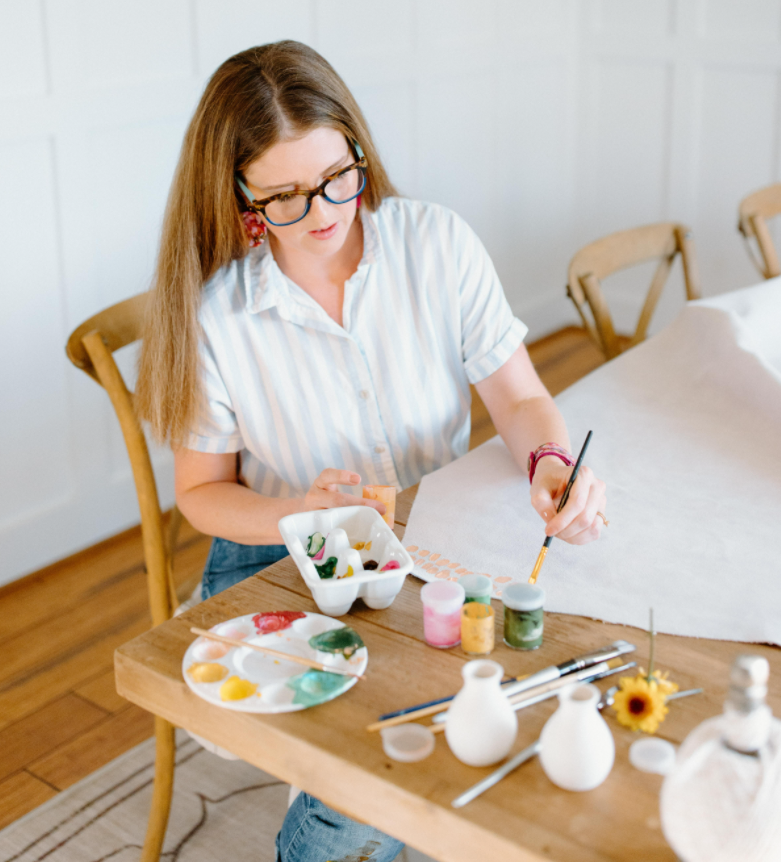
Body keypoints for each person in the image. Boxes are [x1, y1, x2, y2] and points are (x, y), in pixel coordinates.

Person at [137, 39, 606, 862]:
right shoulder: (219, 313)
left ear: (358, 149)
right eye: (282, 196)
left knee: (536, 677)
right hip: (275, 560)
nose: (321, 213)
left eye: (336, 178)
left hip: (427, 547)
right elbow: (203, 494)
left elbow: (522, 398)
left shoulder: (437, 245)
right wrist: (302, 513)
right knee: (385, 739)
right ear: (240, 195)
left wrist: (549, 464)